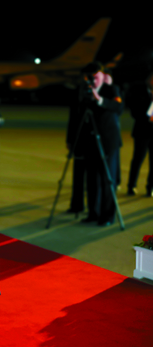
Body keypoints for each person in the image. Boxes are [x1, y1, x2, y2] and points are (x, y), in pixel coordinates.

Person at [67, 62, 123, 226]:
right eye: (89, 77)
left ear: (103, 76)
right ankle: (93, 212)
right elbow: (77, 117)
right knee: (92, 180)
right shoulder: (85, 93)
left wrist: (100, 100)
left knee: (107, 179)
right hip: (90, 141)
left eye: (95, 77)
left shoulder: (111, 90)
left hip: (108, 141)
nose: (92, 81)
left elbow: (119, 107)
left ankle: (107, 216)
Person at [126, 72, 153, 196]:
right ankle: (131, 185)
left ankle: (150, 187)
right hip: (142, 131)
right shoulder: (140, 92)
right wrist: (147, 116)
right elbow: (134, 111)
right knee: (138, 159)